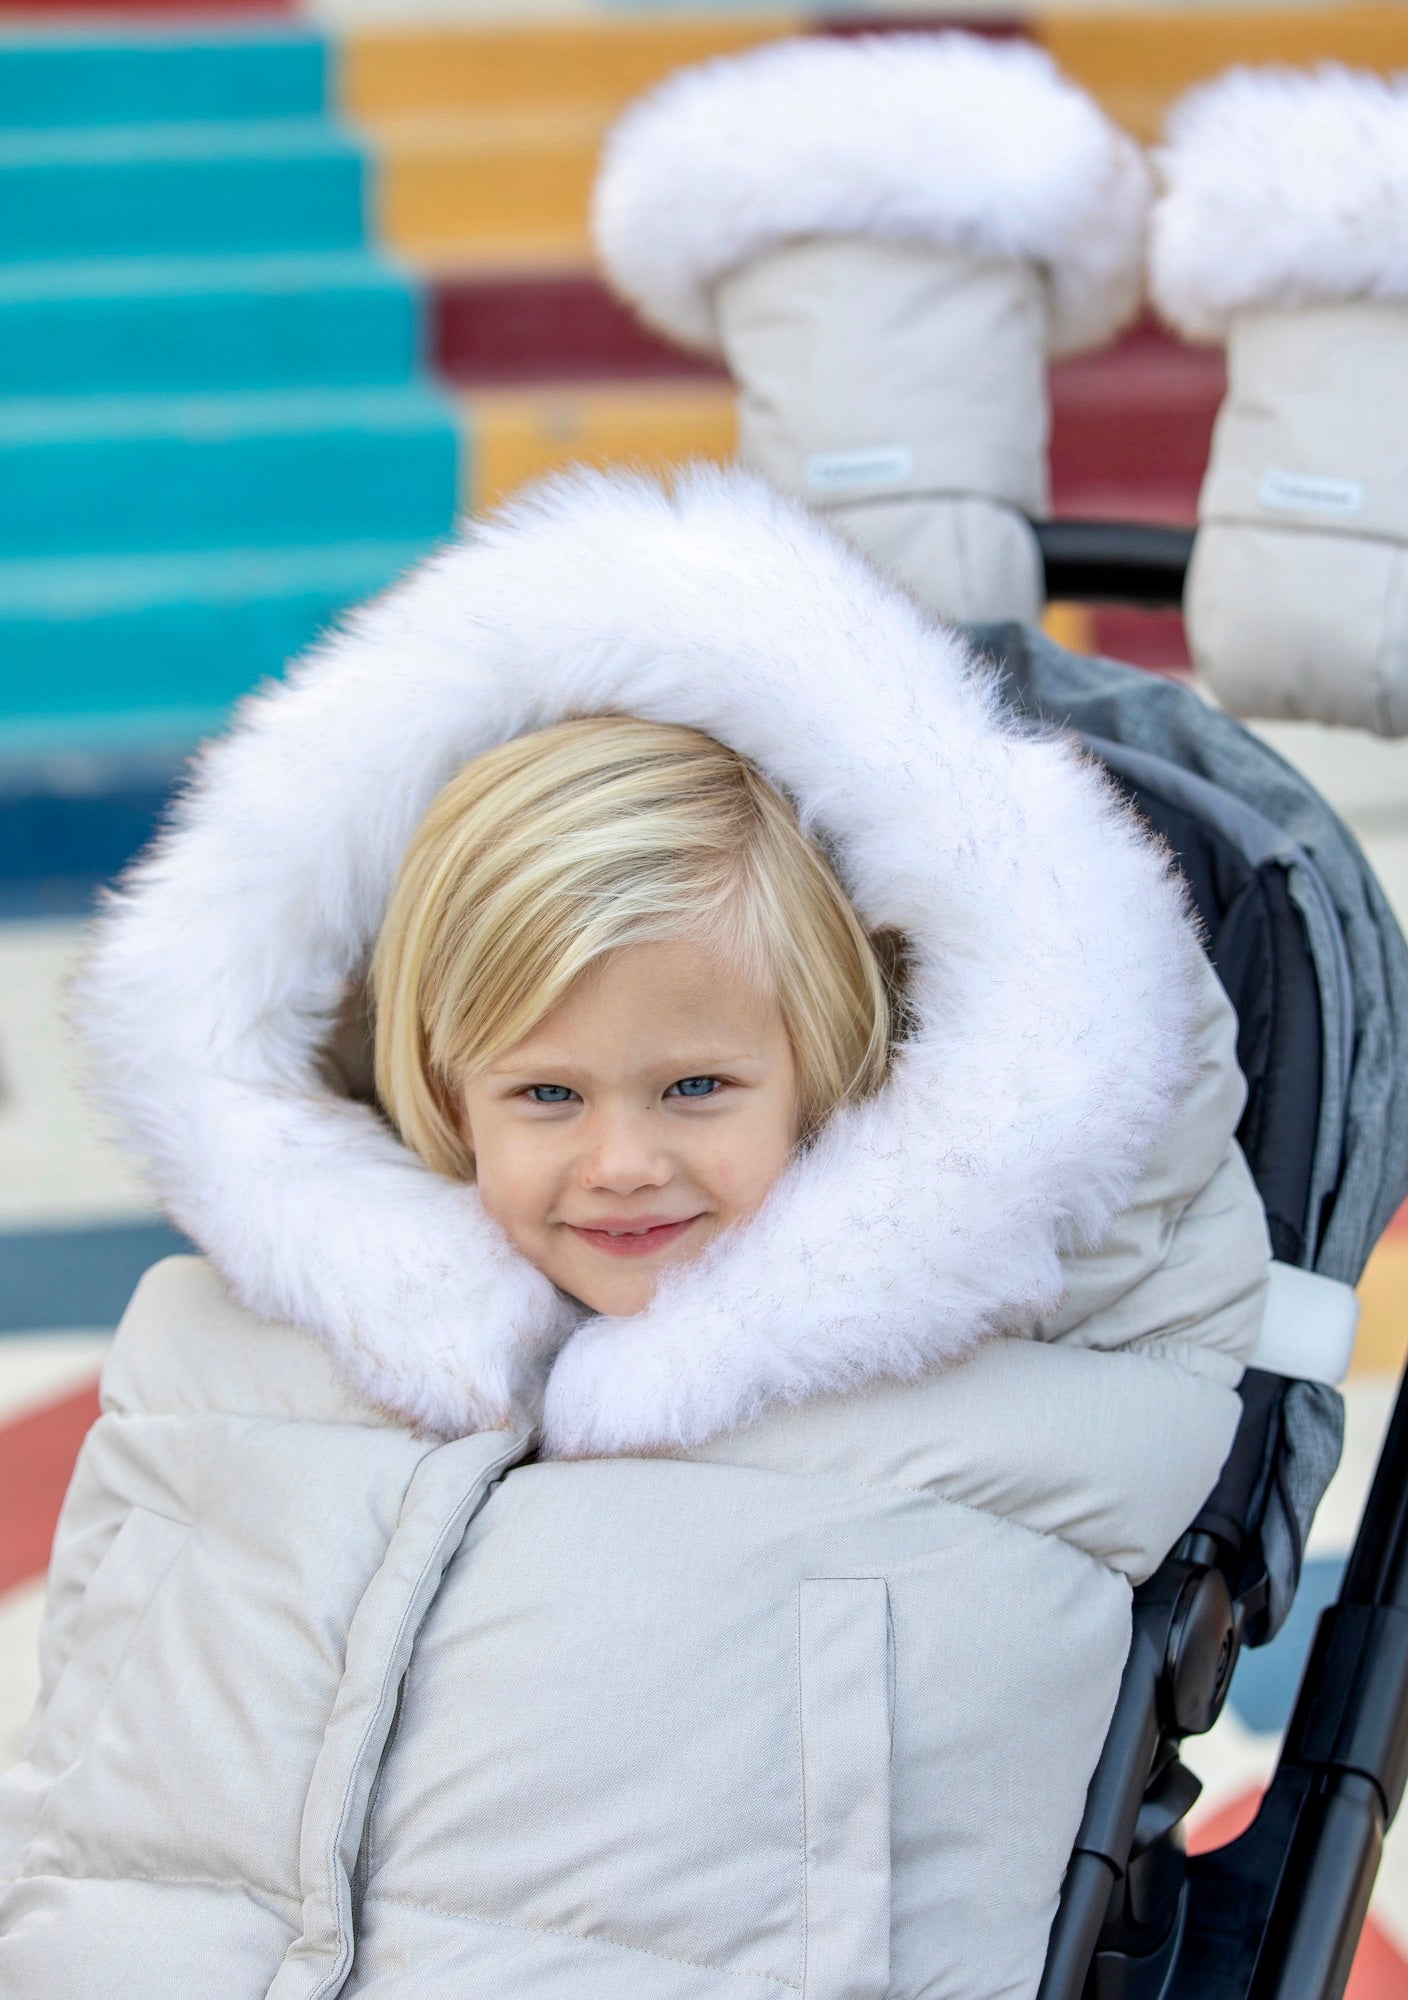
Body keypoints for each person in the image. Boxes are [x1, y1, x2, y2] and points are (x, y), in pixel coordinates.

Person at [0, 466, 1268, 1995]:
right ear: (439, 1088)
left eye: (695, 1085)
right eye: (545, 1091)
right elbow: (90, 1774)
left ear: (836, 1070)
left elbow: (1152, 1297)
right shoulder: (228, 1350)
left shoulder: (1004, 1379)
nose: (621, 1161)